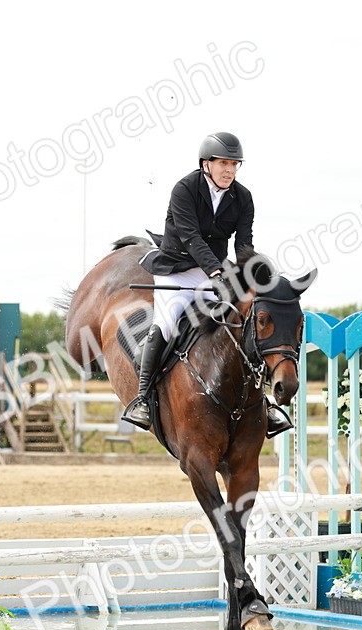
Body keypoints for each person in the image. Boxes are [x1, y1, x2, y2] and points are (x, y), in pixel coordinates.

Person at [121, 132, 285, 437]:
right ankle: (142, 399)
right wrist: (216, 273)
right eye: (223, 163)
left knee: (244, 321)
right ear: (205, 164)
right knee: (166, 323)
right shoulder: (184, 189)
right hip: (176, 269)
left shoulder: (243, 197)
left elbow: (243, 244)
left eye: (234, 164)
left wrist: (248, 276)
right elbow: (191, 238)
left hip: (215, 270)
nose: (229, 170)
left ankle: (264, 402)